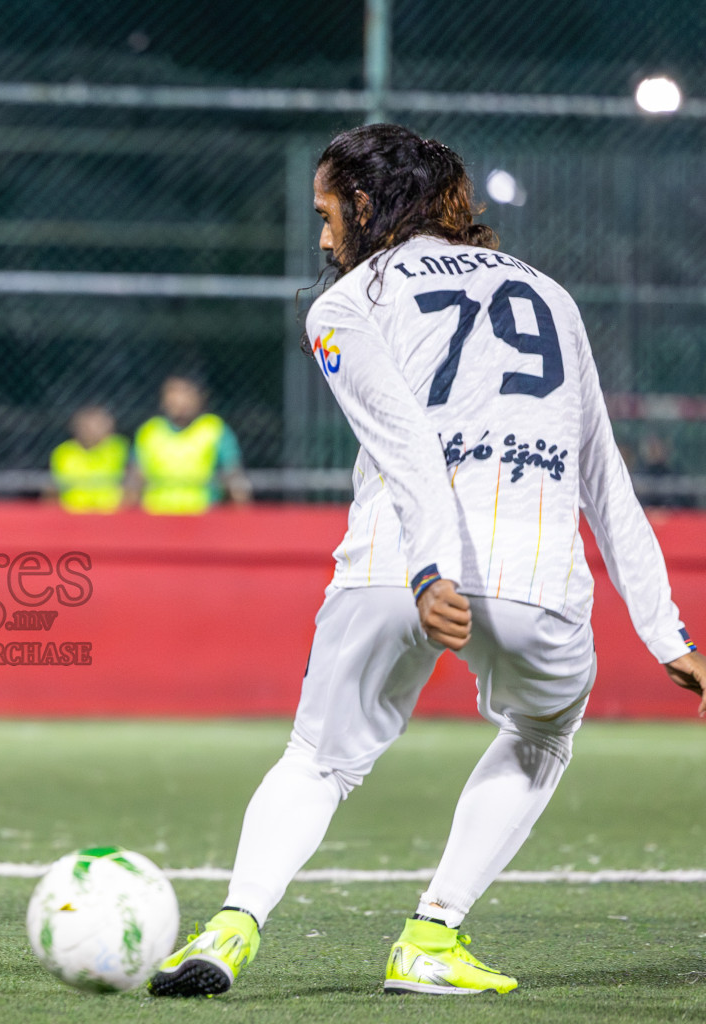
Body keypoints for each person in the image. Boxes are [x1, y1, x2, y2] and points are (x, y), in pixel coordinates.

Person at [148, 123, 706, 999]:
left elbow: (410, 449)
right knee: (542, 730)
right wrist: (665, 630)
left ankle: (229, 930)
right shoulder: (550, 295)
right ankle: (431, 937)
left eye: (329, 213)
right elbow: (604, 471)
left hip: (394, 566)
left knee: (317, 760)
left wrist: (430, 570)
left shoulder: (345, 304)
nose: (324, 237)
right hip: (538, 582)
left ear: (367, 204)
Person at [126, 375, 253, 513]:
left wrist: (245, 517)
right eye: (173, 392)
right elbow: (135, 480)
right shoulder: (149, 431)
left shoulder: (214, 429)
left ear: (200, 397)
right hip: (157, 517)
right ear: (163, 399)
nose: (179, 399)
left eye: (186, 392)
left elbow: (234, 475)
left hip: (203, 518)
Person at [48, 405, 129, 513]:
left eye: (100, 425)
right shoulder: (63, 452)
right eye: (90, 425)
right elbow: (52, 489)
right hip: (73, 514)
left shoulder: (119, 448)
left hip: (110, 514)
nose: (95, 430)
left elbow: (132, 484)